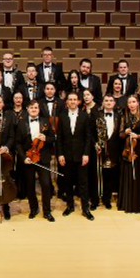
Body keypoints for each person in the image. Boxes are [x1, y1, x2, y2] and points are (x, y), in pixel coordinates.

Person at [14, 99, 56, 221]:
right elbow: (17, 143)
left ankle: (47, 211)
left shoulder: (45, 121)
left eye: (36, 108)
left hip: (43, 158)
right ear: (27, 109)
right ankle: (34, 208)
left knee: (46, 185)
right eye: (31, 108)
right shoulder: (21, 123)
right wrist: (24, 157)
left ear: (39, 109)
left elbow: (53, 138)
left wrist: (46, 139)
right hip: (29, 158)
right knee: (30, 185)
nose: (34, 110)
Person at [56, 90, 95, 220]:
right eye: (70, 99)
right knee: (67, 182)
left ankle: (85, 208)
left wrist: (86, 154)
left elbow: (88, 137)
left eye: (74, 99)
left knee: (83, 183)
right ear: (67, 102)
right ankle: (70, 206)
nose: (72, 102)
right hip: (66, 155)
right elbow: (59, 137)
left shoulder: (84, 116)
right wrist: (60, 154)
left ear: (78, 101)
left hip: (81, 155)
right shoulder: (62, 116)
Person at [117, 94, 140, 213]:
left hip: (139, 149)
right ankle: (127, 203)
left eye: (133, 102)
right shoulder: (124, 118)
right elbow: (120, 135)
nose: (131, 104)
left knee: (138, 174)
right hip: (127, 149)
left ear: (137, 103)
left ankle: (139, 204)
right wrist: (125, 132)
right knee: (128, 174)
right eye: (129, 102)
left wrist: (138, 136)